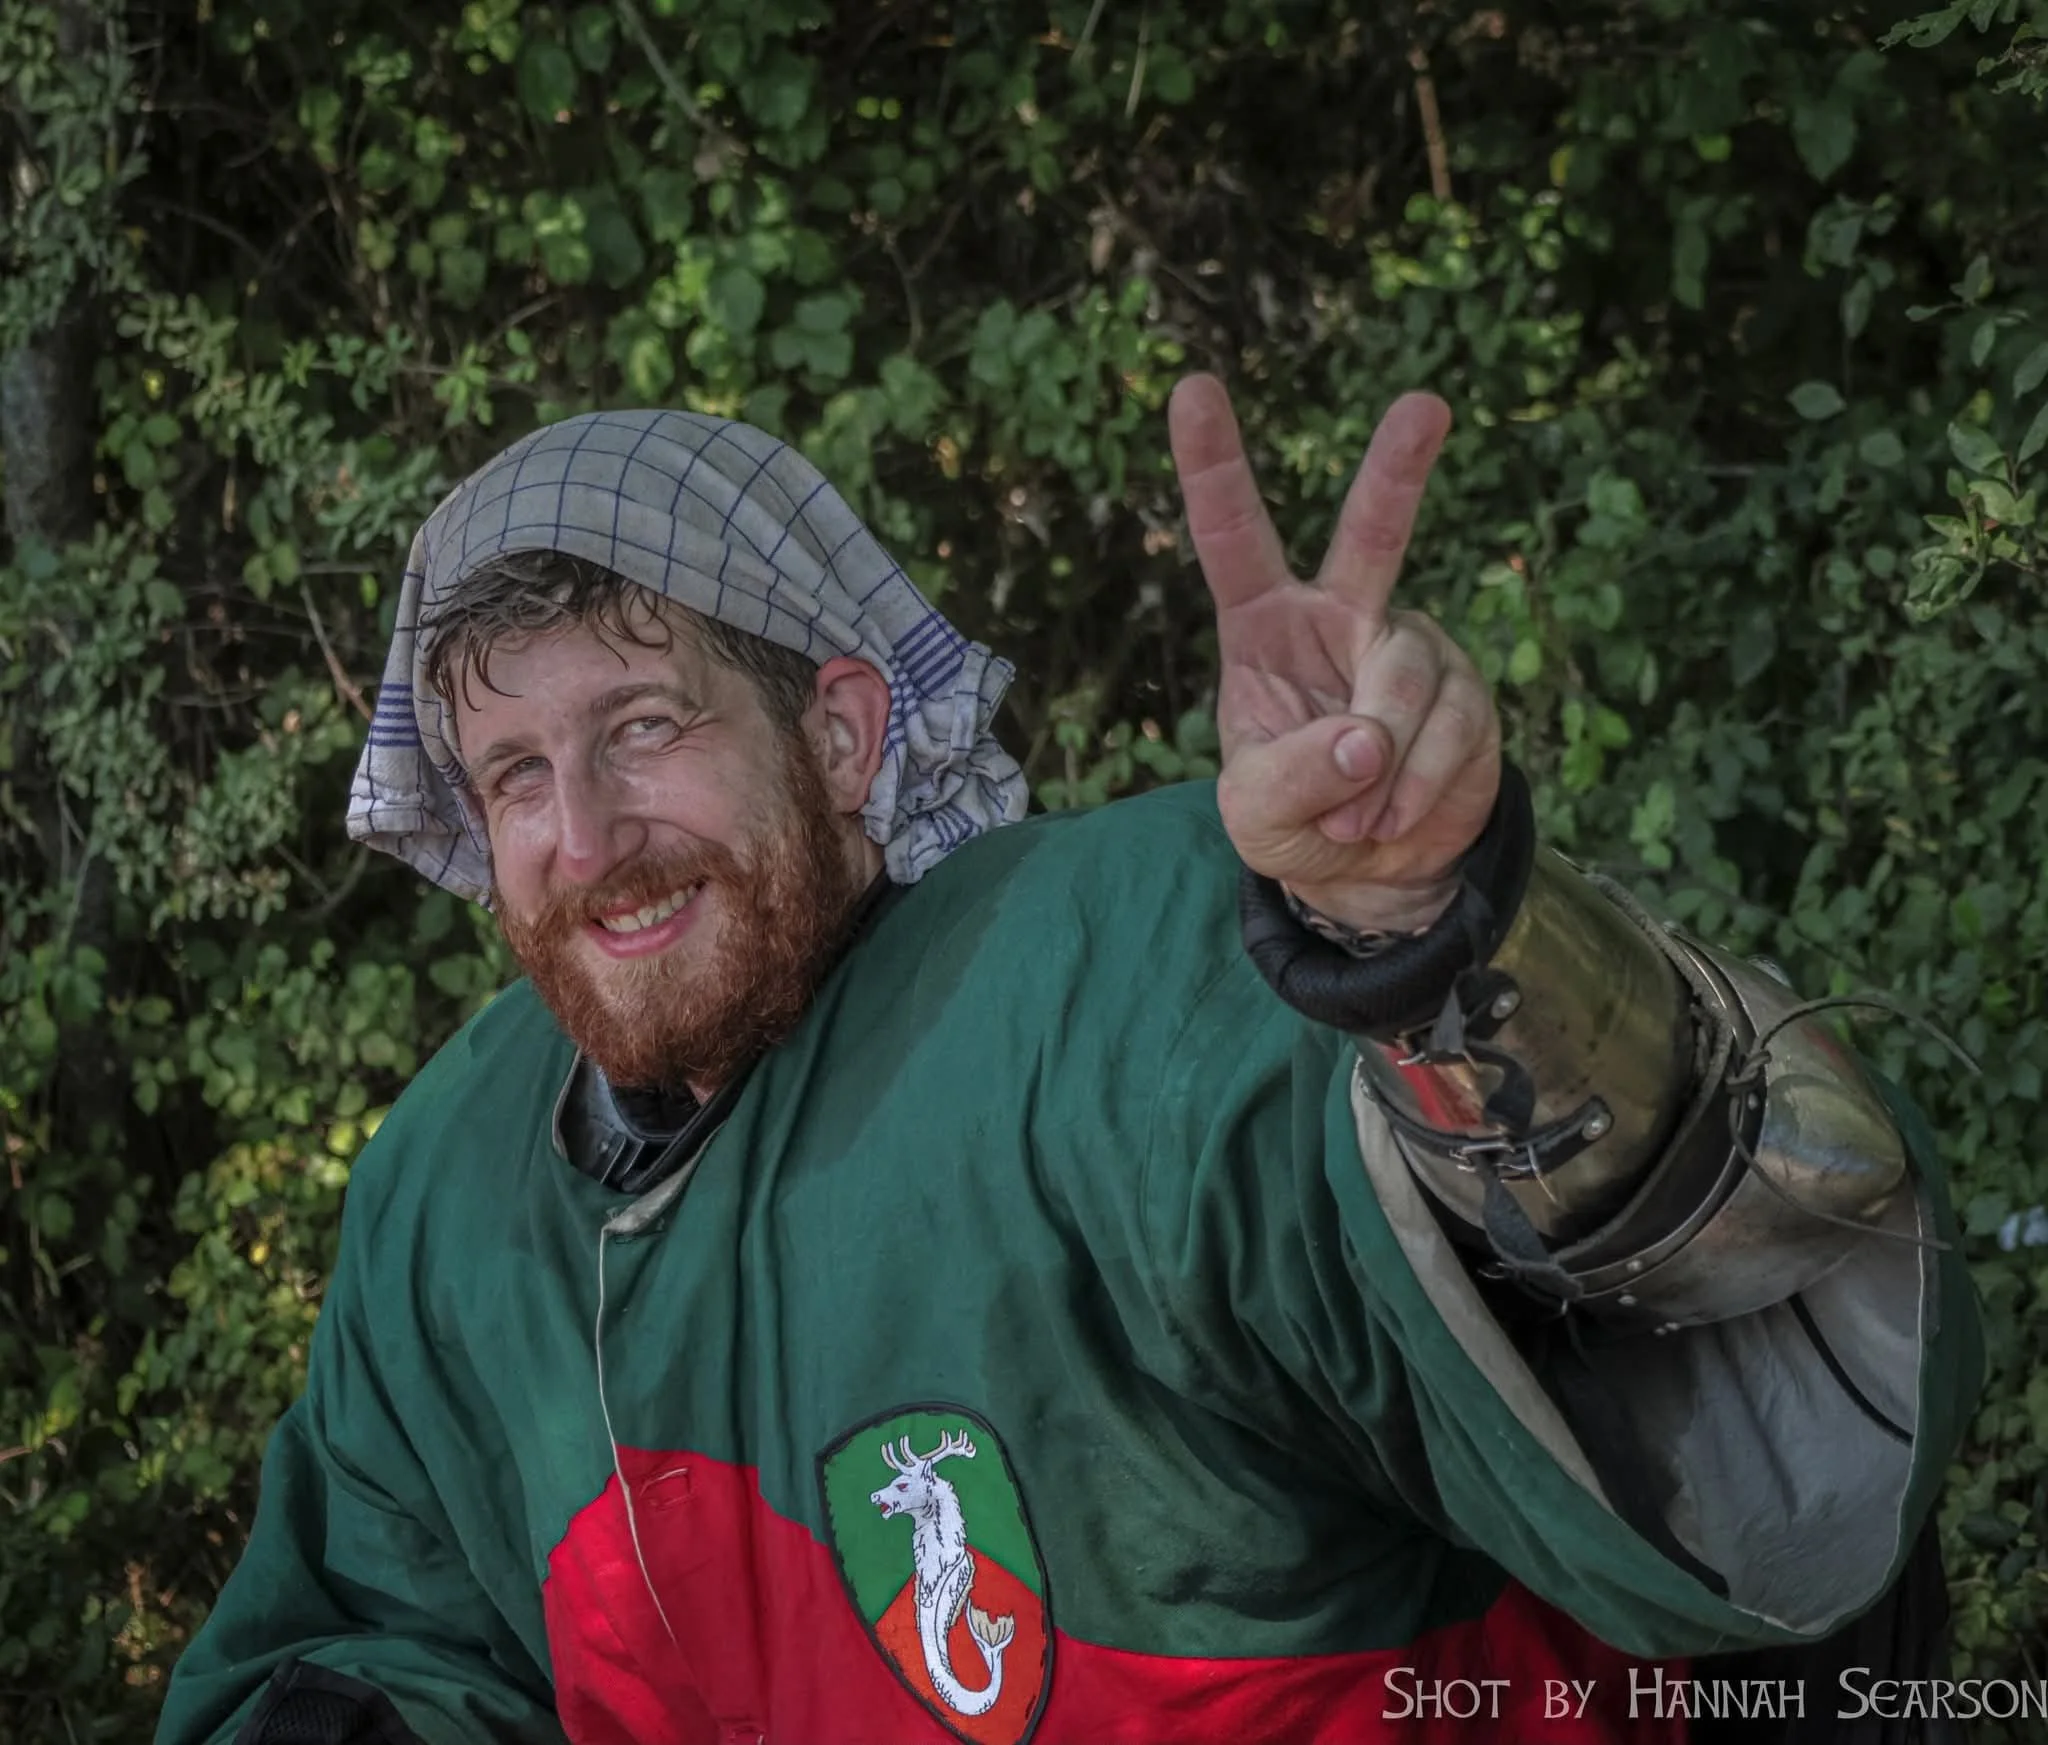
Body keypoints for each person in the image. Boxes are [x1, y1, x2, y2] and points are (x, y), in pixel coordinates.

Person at [156, 380, 1979, 1745]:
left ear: (846, 732)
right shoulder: (445, 1188)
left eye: (648, 727)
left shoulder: (1109, 968)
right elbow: (383, 1631)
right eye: (517, 780)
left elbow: (1672, 1260)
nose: (592, 833)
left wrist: (1432, 945)